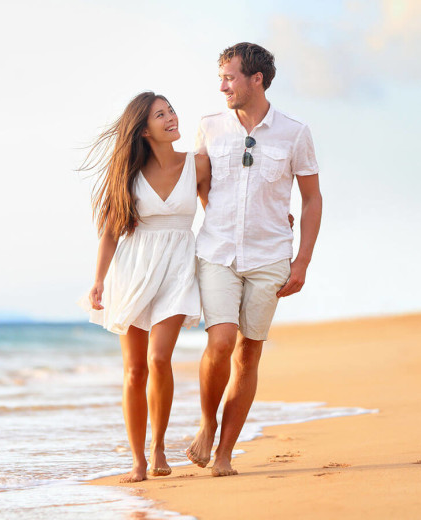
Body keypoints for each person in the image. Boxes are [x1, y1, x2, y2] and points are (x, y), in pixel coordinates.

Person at [185, 42, 323, 477]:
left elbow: (312, 198)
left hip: (270, 257)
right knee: (221, 341)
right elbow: (200, 183)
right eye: (221, 77)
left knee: (248, 354)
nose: (222, 85)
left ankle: (224, 453)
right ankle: (207, 424)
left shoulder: (295, 132)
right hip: (217, 251)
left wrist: (301, 261)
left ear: (256, 79)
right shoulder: (210, 126)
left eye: (229, 77)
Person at [80, 91, 210, 483]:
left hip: (177, 268)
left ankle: (158, 446)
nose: (171, 117)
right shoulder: (128, 176)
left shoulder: (198, 165)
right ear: (144, 130)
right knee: (135, 370)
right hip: (134, 269)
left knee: (158, 359)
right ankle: (138, 459)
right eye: (160, 114)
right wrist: (99, 280)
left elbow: (219, 213)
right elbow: (109, 233)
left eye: (171, 110)